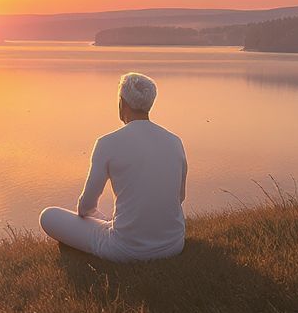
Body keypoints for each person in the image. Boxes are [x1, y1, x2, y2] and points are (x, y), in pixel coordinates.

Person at [39, 72, 187, 261]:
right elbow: (180, 198)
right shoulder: (174, 141)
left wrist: (104, 221)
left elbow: (86, 207)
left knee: (48, 215)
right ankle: (118, 224)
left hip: (126, 249)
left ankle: (115, 228)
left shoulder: (107, 143)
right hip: (173, 244)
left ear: (122, 103)